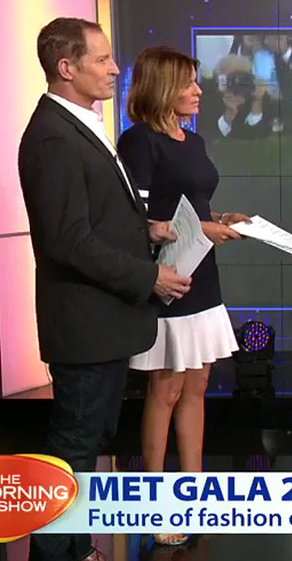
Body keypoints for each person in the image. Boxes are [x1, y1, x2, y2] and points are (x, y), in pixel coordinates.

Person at [18, 18, 190, 561]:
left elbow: (92, 219)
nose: (117, 69)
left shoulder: (79, 125)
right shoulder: (52, 136)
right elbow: (67, 240)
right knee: (72, 449)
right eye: (102, 59)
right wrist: (149, 276)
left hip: (105, 322)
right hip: (84, 324)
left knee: (87, 444)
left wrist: (146, 231)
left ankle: (77, 549)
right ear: (66, 68)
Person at [117, 46, 248, 547]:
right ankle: (154, 506)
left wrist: (223, 219)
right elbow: (136, 220)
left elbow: (196, 205)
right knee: (166, 390)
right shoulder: (139, 142)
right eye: (189, 83)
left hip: (202, 275)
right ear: (162, 87)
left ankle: (195, 496)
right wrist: (199, 228)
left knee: (197, 387)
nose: (198, 90)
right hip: (167, 276)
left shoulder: (193, 140)